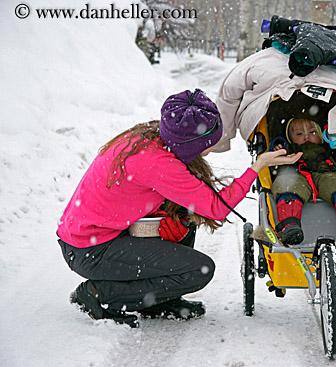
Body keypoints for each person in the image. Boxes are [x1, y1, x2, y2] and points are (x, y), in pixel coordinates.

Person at [57, 89, 302, 328]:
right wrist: (258, 166)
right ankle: (97, 294)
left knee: (183, 216)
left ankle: (156, 300)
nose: (211, 149)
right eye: (209, 145)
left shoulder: (152, 137)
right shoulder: (158, 164)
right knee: (197, 271)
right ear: (190, 147)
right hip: (90, 249)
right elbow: (217, 208)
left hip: (90, 237)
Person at [270, 118, 336, 245]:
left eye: (313, 132)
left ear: (321, 135)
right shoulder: (288, 152)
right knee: (286, 185)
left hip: (325, 174)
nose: (306, 136)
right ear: (290, 138)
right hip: (297, 176)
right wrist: (278, 153)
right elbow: (275, 171)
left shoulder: (328, 151)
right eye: (299, 134)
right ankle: (290, 226)